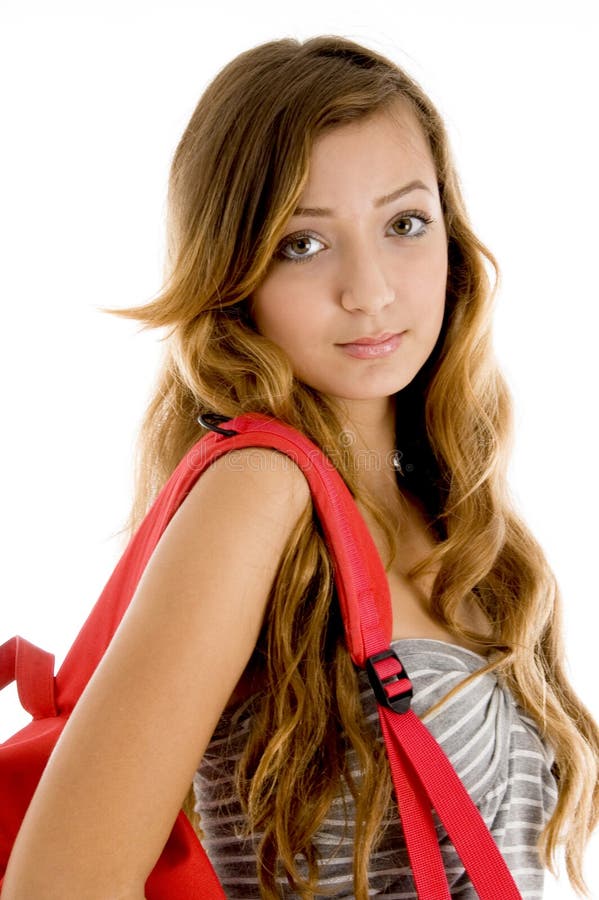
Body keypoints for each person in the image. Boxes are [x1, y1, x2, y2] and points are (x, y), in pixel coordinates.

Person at [2, 34, 598, 900]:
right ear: (232, 273)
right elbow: (59, 886)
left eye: (403, 224)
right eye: (302, 244)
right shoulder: (258, 490)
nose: (370, 290)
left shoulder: (450, 512)